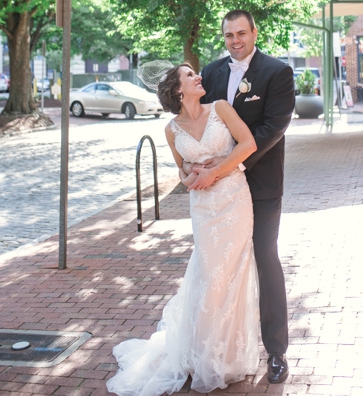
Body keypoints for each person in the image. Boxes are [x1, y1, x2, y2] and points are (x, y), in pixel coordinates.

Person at [106, 63, 264, 396]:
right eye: (189, 75)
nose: (198, 77)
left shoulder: (220, 108)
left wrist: (214, 173)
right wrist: (190, 174)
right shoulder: (171, 129)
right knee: (209, 274)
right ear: (179, 90)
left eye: (196, 73)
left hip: (233, 200)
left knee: (231, 273)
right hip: (203, 209)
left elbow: (247, 144)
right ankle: (200, 352)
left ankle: (226, 356)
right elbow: (180, 171)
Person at [196, 9, 295, 383]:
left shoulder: (277, 72)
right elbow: (201, 122)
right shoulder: (212, 72)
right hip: (220, 192)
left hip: (260, 184)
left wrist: (231, 165)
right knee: (220, 264)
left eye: (241, 33)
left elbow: (274, 127)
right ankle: (222, 347)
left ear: (255, 32)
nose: (235, 41)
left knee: (264, 257)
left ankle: (276, 351)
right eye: (228, 35)